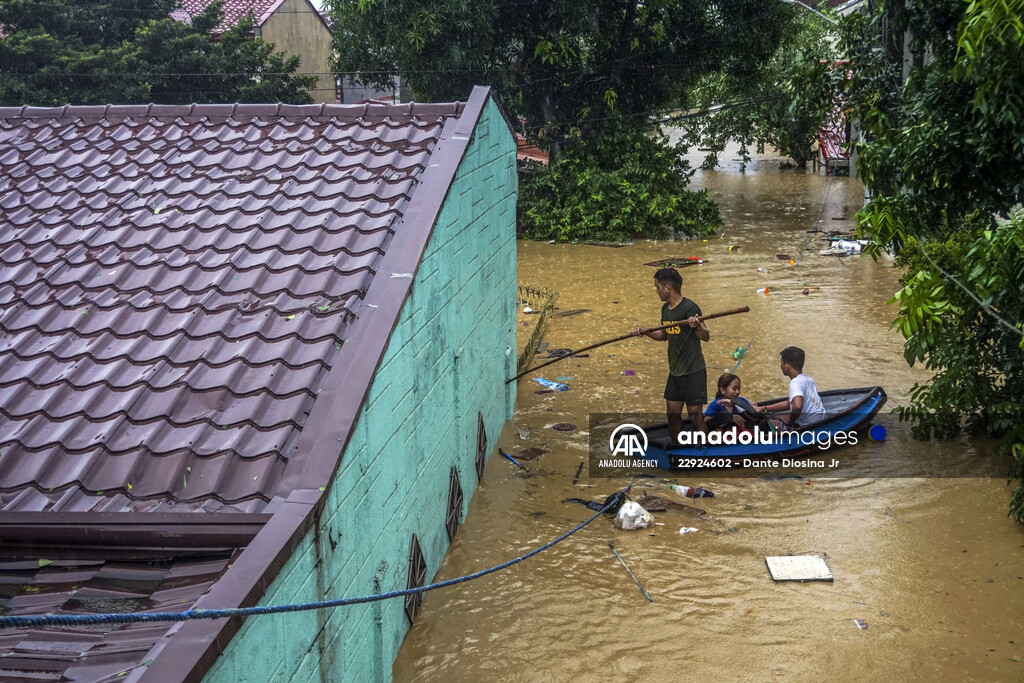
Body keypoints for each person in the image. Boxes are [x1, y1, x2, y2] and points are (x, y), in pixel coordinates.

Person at [631, 267, 710, 438]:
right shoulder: (666, 310)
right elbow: (663, 336)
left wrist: (696, 325)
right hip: (675, 371)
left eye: (657, 286)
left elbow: (705, 336)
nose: (656, 290)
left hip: (693, 371)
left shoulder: (690, 308)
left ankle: (708, 449)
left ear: (667, 287)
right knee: (672, 415)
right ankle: (677, 448)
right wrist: (645, 331)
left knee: (695, 415)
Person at [761, 346, 826, 427]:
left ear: (787, 366)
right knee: (776, 416)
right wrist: (763, 408)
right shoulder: (808, 379)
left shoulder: (795, 383)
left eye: (781, 363)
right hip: (819, 419)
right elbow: (789, 404)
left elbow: (797, 406)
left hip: (808, 426)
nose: (781, 366)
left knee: (765, 424)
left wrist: (789, 421)